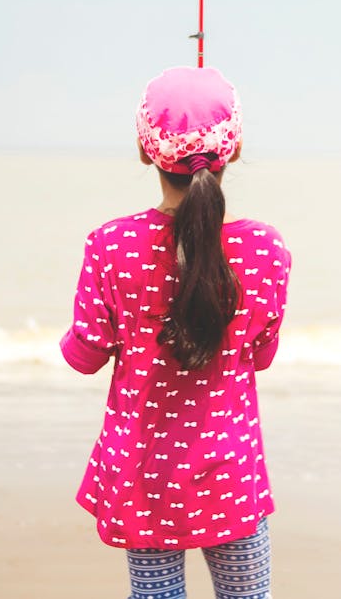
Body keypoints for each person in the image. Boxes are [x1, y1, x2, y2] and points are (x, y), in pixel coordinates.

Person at [60, 66, 291, 599]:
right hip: (230, 472)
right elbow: (260, 354)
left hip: (145, 473)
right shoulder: (265, 248)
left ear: (146, 152)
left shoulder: (111, 244)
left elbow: (85, 354)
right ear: (232, 151)